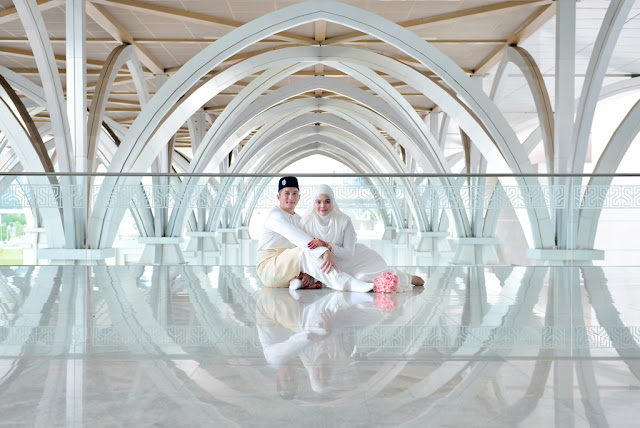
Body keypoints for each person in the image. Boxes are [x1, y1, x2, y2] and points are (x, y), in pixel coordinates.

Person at [256, 176, 374, 292]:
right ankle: (346, 283)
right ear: (278, 197)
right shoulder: (275, 216)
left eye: (294, 193)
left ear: (299, 197)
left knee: (310, 251)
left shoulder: (299, 219)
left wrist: (307, 272)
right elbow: (298, 238)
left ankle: (300, 281)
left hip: (288, 269)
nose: (291, 197)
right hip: (269, 269)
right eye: (286, 193)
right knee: (305, 251)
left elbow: (307, 246)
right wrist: (325, 251)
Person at [302, 184, 425, 291]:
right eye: (318, 202)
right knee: (361, 281)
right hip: (330, 266)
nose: (323, 205)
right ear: (313, 203)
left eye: (327, 201)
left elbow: (348, 254)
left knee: (366, 278)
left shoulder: (344, 221)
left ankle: (408, 278)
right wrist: (308, 272)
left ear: (332, 202)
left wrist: (327, 245)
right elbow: (304, 252)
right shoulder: (306, 223)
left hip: (356, 260)